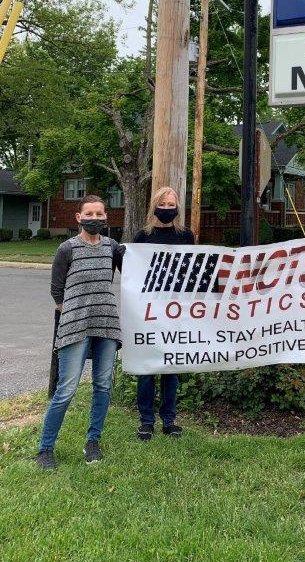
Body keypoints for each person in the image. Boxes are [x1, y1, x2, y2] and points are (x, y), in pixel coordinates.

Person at [36, 195, 124, 469]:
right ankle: (46, 448)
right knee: (66, 389)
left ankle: (93, 441)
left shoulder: (112, 247)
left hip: (107, 323)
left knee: (102, 385)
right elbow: (56, 289)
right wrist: (72, 311)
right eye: (89, 214)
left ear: (106, 217)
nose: (94, 218)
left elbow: (136, 272)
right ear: (78, 217)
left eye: (99, 214)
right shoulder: (67, 248)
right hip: (75, 325)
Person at [132, 186, 194, 440]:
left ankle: (169, 420)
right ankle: (146, 421)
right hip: (148, 311)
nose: (167, 209)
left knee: (171, 368)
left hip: (176, 312)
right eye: (163, 204)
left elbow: (192, 271)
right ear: (154, 206)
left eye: (171, 205)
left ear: (178, 207)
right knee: (147, 370)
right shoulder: (142, 237)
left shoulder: (186, 236)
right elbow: (133, 274)